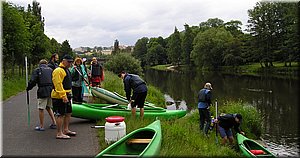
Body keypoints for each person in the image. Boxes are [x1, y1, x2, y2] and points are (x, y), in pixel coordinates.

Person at [26, 59, 57, 131]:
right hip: (51, 90)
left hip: (42, 91)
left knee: (41, 108)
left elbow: (33, 81)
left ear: (39, 64)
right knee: (48, 107)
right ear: (46, 64)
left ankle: (41, 126)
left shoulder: (38, 70)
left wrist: (28, 88)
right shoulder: (51, 70)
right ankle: (54, 123)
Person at [51, 55, 76, 139]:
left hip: (67, 94)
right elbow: (58, 84)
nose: (70, 63)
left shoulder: (66, 70)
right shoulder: (58, 70)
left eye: (71, 62)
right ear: (63, 61)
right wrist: (63, 96)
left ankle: (66, 129)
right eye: (68, 62)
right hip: (59, 96)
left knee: (68, 113)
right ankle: (59, 133)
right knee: (60, 114)